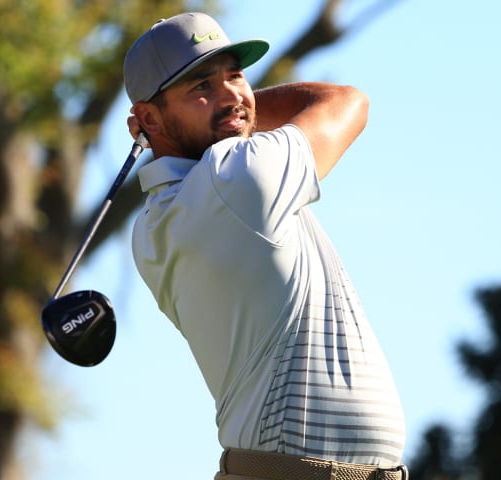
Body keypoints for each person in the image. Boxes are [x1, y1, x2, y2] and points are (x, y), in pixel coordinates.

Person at [123, 12, 407, 480]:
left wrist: (229, 111)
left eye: (235, 75)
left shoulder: (155, 223)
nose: (232, 93)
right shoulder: (233, 180)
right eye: (201, 86)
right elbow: (346, 102)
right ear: (149, 117)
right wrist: (242, 113)